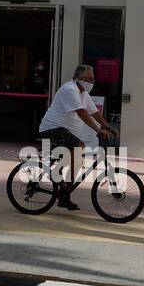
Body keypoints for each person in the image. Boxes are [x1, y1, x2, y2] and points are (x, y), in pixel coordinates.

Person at [39, 64, 115, 210]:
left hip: (66, 132)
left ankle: (64, 197)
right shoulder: (69, 89)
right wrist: (98, 130)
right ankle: (59, 181)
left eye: (93, 79)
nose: (91, 82)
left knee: (77, 162)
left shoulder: (83, 93)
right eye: (88, 79)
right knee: (77, 148)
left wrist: (108, 127)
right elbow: (82, 112)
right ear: (77, 78)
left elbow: (94, 113)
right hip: (51, 129)